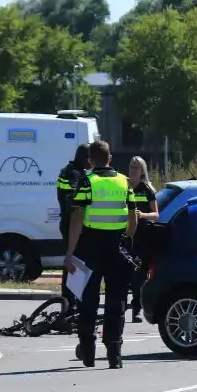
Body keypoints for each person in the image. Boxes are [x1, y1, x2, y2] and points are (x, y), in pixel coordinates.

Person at [64, 140, 137, 369]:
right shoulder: (124, 182)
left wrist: (70, 252)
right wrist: (126, 239)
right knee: (117, 301)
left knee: (88, 301)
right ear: (110, 158)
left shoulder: (87, 182)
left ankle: (88, 351)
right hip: (116, 246)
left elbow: (77, 219)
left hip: (90, 246)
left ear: (90, 160)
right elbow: (133, 218)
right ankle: (114, 353)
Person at [57, 144, 91, 315]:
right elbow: (75, 202)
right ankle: (70, 304)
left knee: (73, 263)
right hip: (72, 222)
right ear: (85, 158)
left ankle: (70, 302)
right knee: (73, 263)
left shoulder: (69, 170)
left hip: (68, 221)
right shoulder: (74, 174)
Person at [126, 156, 159, 322]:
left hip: (142, 237)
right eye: (131, 167)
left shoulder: (147, 189)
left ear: (142, 171)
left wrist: (143, 215)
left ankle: (136, 310)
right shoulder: (123, 186)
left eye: (136, 168)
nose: (133, 170)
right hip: (125, 236)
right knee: (124, 274)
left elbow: (156, 214)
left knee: (139, 276)